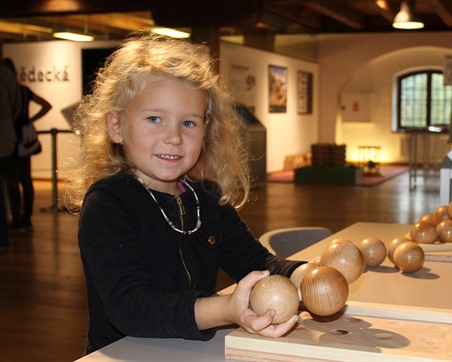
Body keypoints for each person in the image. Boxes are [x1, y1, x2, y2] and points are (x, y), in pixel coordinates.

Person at [65, 32, 305, 354]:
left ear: (205, 131)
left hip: (190, 351)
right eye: (154, 119)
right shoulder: (109, 204)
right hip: (127, 353)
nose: (174, 138)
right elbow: (131, 309)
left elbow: (256, 262)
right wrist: (225, 309)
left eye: (188, 124)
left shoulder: (206, 197)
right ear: (117, 127)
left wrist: (304, 274)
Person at [4, 58, 52, 233]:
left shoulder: (9, 92)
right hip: (23, 136)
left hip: (12, 137)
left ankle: (17, 220)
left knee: (12, 180)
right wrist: (30, 120)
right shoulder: (24, 91)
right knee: (26, 178)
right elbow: (46, 105)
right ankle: (26, 219)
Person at [0, 42, 22, 249]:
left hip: (4, 138)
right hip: (7, 135)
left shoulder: (4, 74)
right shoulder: (7, 74)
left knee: (9, 182)